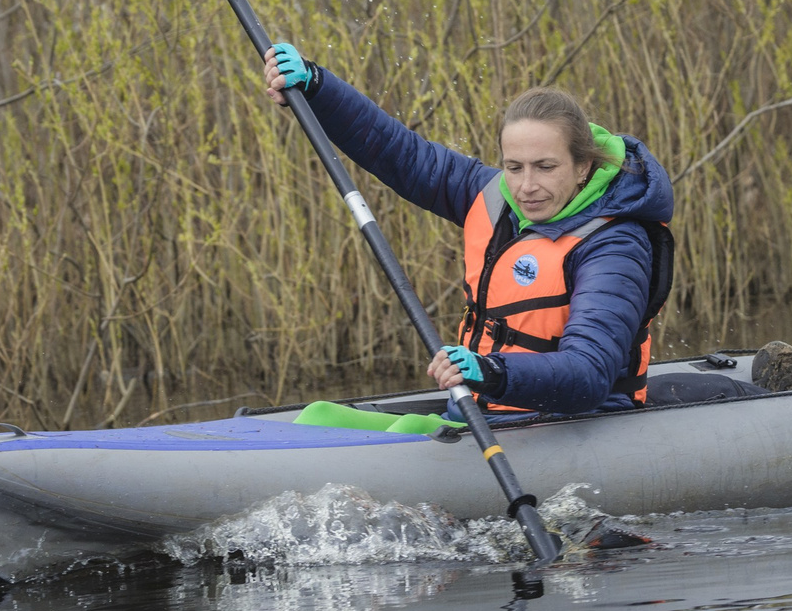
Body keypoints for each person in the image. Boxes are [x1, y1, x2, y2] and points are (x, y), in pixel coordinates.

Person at [262, 43, 672, 417]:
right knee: (319, 415)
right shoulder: (493, 196)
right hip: (485, 410)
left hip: (574, 420)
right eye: (514, 167)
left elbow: (589, 373)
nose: (526, 186)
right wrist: (318, 88)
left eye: (545, 167)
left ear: (583, 167)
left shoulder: (615, 246)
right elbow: (399, 152)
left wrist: (491, 371)